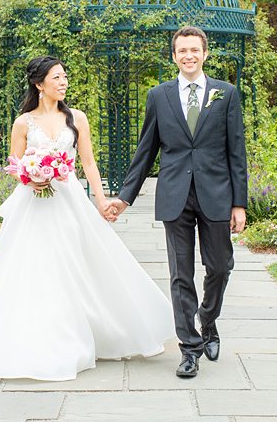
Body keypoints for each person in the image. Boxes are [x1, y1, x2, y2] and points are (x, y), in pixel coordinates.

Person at [0, 56, 174, 381]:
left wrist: (101, 200)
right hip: (32, 206)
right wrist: (29, 176)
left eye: (65, 76)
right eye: (57, 77)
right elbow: (14, 164)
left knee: (73, 262)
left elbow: (90, 164)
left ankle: (82, 332)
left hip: (67, 201)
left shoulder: (77, 118)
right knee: (32, 266)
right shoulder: (23, 123)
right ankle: (32, 336)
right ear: (40, 84)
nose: (63, 82)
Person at [106, 26, 248, 379]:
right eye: (182, 50)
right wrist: (125, 197)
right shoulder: (159, 96)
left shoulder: (226, 94)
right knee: (180, 275)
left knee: (220, 267)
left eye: (194, 50)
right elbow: (145, 151)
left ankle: (209, 320)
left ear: (205, 54)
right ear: (174, 56)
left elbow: (237, 153)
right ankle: (189, 348)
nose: (189, 56)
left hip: (217, 195)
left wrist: (239, 203)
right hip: (174, 196)